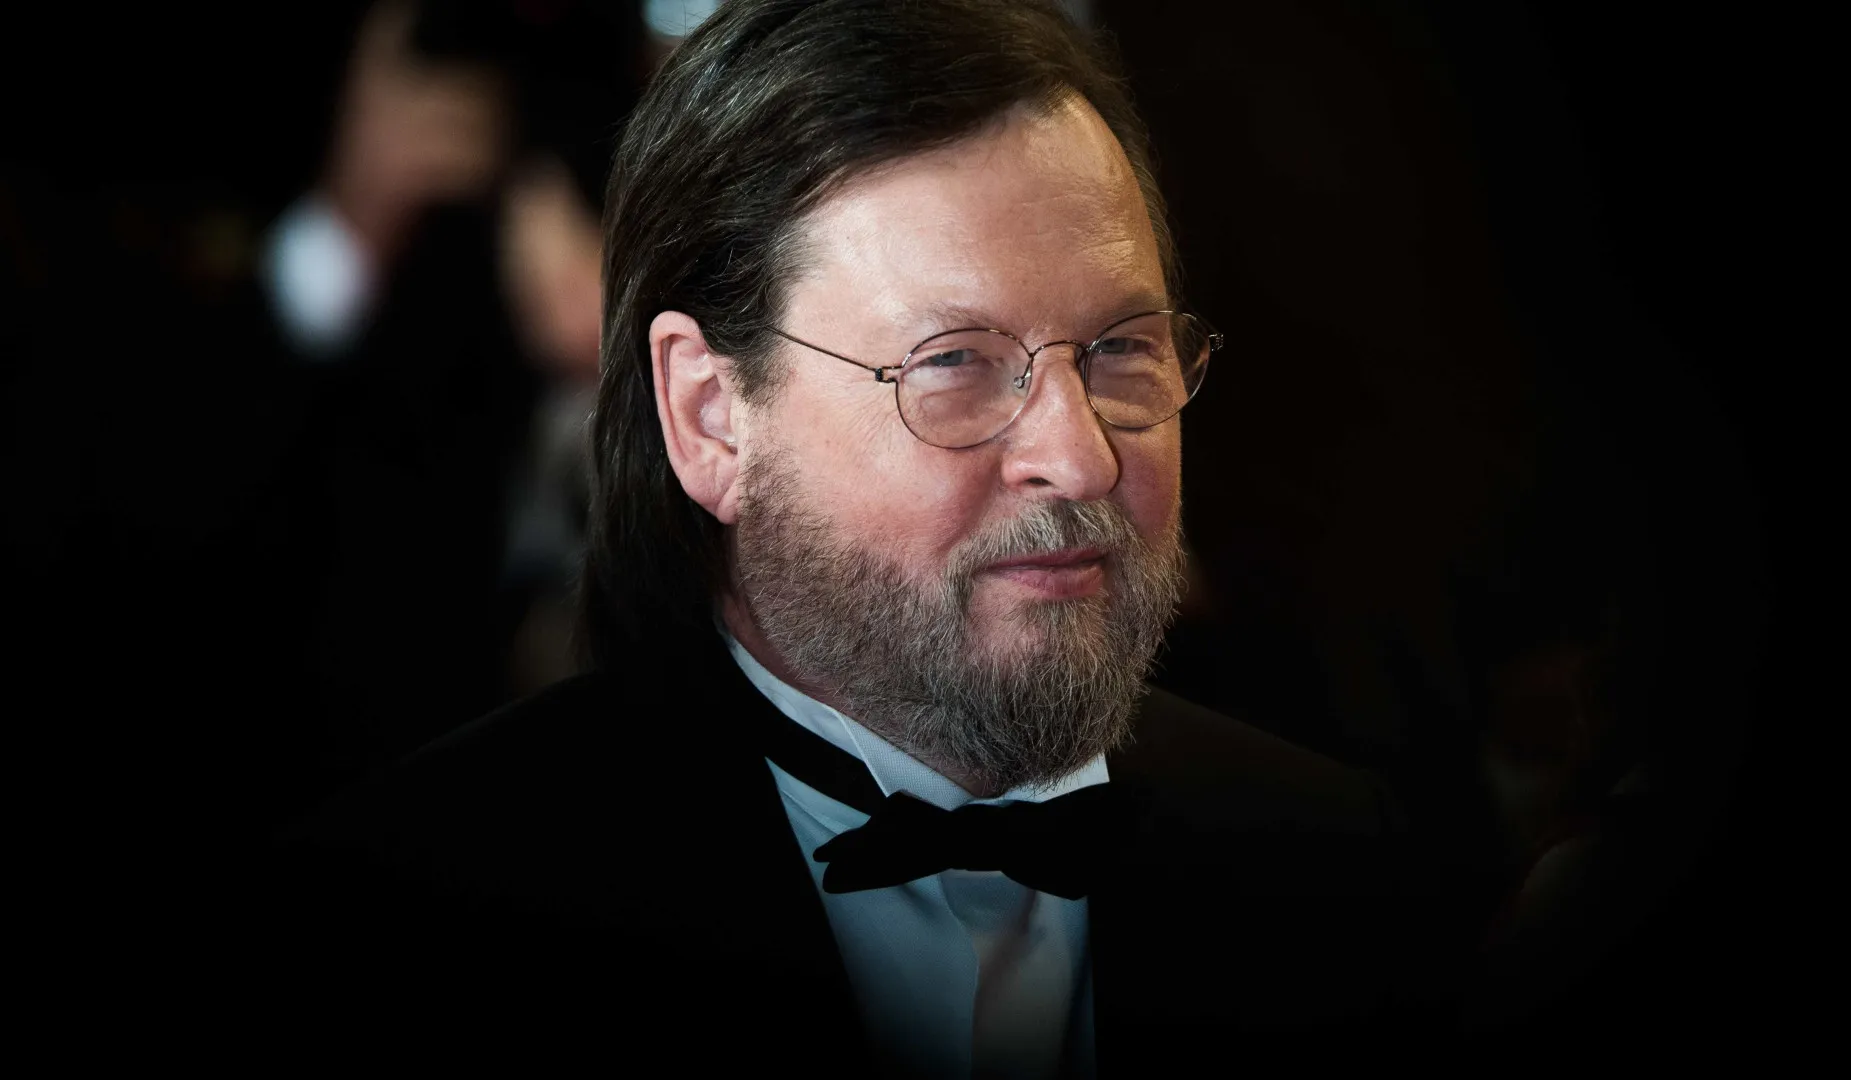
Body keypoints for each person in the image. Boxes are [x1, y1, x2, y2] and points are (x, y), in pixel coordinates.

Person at [240, 0, 1456, 1072]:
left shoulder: (1341, 867)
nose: (1082, 458)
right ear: (711, 418)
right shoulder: (418, 913)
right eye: (954, 363)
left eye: (1120, 350)